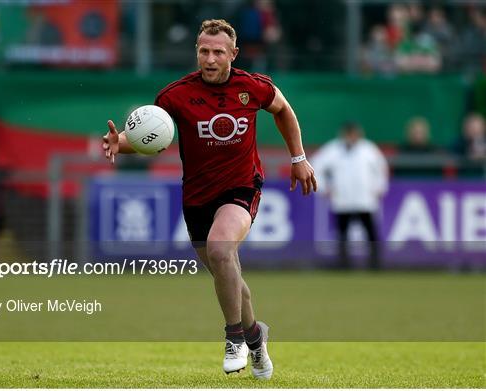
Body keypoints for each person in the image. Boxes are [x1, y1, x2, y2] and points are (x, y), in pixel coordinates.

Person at [102, 19, 317, 380]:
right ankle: (254, 337)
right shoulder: (175, 96)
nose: (211, 58)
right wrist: (118, 144)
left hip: (242, 188)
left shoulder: (253, 86)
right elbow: (151, 136)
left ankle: (233, 338)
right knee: (227, 273)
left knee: (220, 250)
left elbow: (283, 110)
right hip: (197, 197)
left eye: (219, 52)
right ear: (197, 52)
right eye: (204, 51)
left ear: (233, 53)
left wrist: (298, 158)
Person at [312, 122, 387, 270]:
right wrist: (324, 188)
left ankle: (375, 264)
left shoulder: (368, 149)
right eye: (349, 134)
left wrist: (379, 188)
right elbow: (315, 166)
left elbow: (381, 169)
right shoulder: (333, 150)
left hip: (365, 200)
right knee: (342, 234)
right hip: (343, 201)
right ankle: (343, 265)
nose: (352, 137)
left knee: (371, 233)